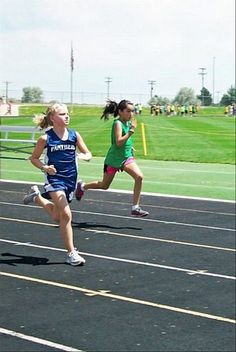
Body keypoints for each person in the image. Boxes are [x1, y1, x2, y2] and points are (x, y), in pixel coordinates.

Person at [23, 103, 92, 266]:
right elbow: (34, 158)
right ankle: (71, 253)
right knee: (67, 215)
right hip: (54, 180)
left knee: (58, 217)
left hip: (71, 180)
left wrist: (83, 156)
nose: (66, 116)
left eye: (67, 114)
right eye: (62, 114)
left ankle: (37, 198)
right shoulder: (46, 138)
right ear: (52, 118)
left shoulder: (75, 135)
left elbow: (88, 153)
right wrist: (45, 167)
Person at [75, 100, 149, 217]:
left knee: (139, 177)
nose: (131, 114)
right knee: (104, 186)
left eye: (132, 111)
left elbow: (124, 142)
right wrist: (131, 132)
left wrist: (130, 146)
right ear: (120, 111)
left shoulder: (128, 123)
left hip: (126, 158)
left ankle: (135, 208)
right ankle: (83, 186)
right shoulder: (118, 123)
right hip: (114, 159)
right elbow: (118, 142)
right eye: (128, 111)